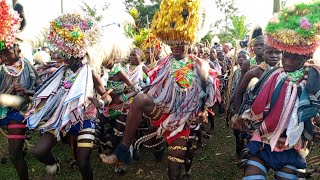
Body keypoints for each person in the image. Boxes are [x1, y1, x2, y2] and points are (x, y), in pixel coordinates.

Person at [99, 0, 221, 179]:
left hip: (183, 124)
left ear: (188, 40)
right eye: (172, 44)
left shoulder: (199, 65)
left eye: (179, 44)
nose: (175, 48)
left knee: (174, 172)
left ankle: (176, 162)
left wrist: (203, 111)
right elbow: (153, 86)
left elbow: (205, 94)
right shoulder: (165, 62)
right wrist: (134, 101)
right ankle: (123, 151)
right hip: (163, 114)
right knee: (140, 99)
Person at [232, 2, 320, 179]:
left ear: (305, 55)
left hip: (291, 147)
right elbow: (256, 103)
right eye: (285, 55)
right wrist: (244, 117)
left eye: (294, 57)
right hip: (263, 142)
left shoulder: (313, 79)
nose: (287, 61)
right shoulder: (273, 75)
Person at [25, 13, 112, 180]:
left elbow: (107, 98)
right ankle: (53, 164)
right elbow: (47, 92)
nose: (63, 57)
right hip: (62, 118)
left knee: (83, 163)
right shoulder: (61, 72)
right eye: (63, 53)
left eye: (67, 54)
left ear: (78, 54)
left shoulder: (90, 72)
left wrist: (100, 102)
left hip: (85, 118)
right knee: (39, 151)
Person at [0, 1, 39, 179]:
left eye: (7, 52)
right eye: (0, 54)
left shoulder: (28, 67)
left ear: (17, 49)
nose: (3, 57)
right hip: (3, 111)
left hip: (19, 112)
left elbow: (39, 90)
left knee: (15, 154)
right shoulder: (1, 68)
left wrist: (26, 91)